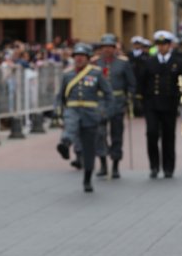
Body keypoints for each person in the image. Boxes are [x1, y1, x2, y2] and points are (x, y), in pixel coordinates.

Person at [56, 43, 113, 192]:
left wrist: (104, 112)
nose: (79, 59)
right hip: (72, 109)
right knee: (70, 124)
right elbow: (60, 96)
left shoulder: (96, 74)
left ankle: (87, 178)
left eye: (82, 56)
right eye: (76, 56)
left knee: (89, 149)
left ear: (88, 58)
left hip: (90, 113)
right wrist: (58, 111)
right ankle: (65, 144)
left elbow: (108, 94)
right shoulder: (67, 75)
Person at [138, 30, 182, 178]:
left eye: (164, 44)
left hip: (169, 103)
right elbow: (142, 81)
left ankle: (168, 167)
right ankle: (154, 166)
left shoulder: (176, 61)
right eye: (159, 44)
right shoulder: (149, 61)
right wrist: (138, 98)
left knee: (168, 136)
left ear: (170, 45)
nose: (162, 47)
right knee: (152, 134)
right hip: (152, 104)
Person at [95, 33, 136, 179]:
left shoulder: (123, 63)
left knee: (116, 134)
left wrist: (129, 98)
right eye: (105, 47)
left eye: (110, 47)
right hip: (100, 103)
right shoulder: (95, 64)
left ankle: (116, 165)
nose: (107, 50)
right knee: (99, 134)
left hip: (117, 102)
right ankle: (103, 163)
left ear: (115, 48)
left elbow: (131, 83)